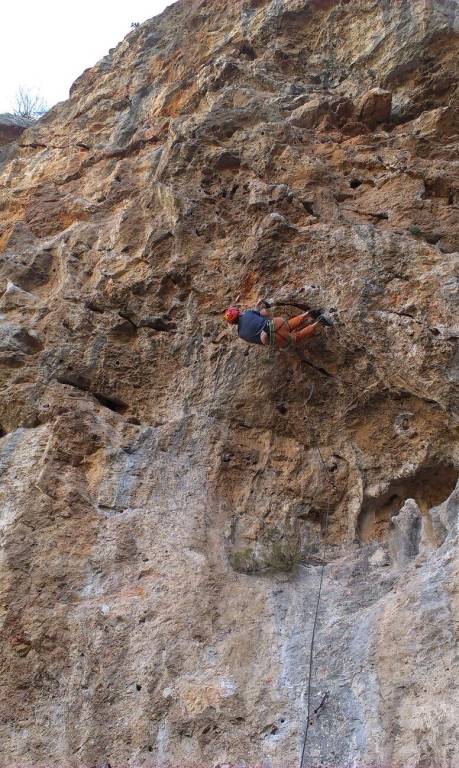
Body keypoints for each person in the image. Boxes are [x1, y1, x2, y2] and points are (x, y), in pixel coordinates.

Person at [223, 302, 328, 348]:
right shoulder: (248, 313)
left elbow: (261, 341)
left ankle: (318, 323)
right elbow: (263, 313)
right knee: (289, 324)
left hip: (273, 338)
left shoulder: (241, 334)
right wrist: (258, 306)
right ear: (239, 313)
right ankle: (308, 313)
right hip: (274, 323)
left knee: (296, 337)